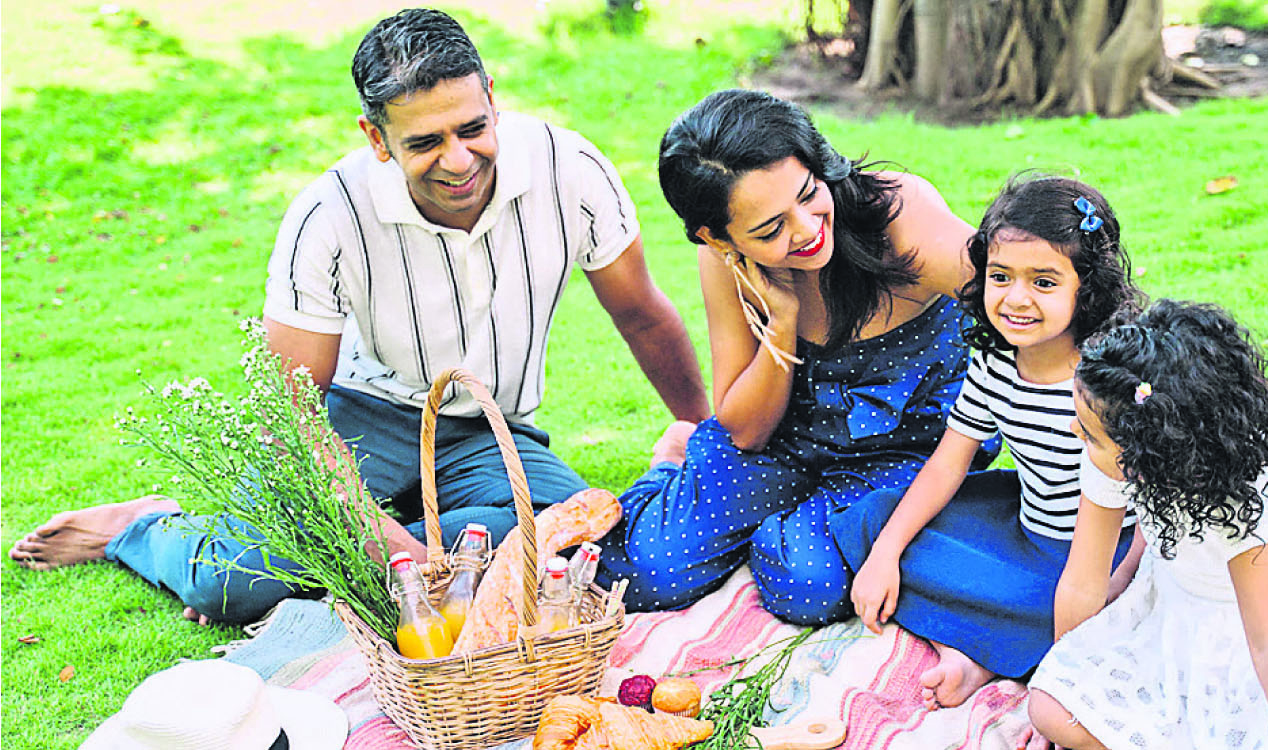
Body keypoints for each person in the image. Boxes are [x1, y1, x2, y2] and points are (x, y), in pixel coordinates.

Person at [7, 9, 709, 625]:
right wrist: (391, 549)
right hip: (355, 420)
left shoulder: (571, 168)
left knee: (580, 544)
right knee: (229, 585)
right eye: (425, 142)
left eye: (472, 128)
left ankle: (341, 547)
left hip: (487, 429)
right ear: (377, 138)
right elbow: (291, 419)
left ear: (492, 99)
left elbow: (641, 315)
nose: (458, 160)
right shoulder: (327, 215)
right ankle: (146, 527)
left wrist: (704, 436)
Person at [594, 89, 994, 624]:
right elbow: (745, 431)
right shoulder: (725, 262)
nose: (806, 229)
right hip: (785, 441)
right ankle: (675, 464)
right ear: (718, 237)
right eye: (770, 229)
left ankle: (779, 522)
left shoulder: (899, 217)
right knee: (641, 575)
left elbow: (1025, 305)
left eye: (809, 194)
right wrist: (780, 325)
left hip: (905, 446)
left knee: (806, 586)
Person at [1028, 299, 1268, 750]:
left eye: (1089, 433)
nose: (1076, 432)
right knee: (1049, 709)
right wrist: (1073, 673)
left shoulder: (1248, 496)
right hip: (1181, 615)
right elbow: (1082, 583)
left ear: (1149, 451)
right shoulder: (1108, 455)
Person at [830, 176, 1147, 710]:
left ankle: (982, 655)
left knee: (1093, 614)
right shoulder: (995, 360)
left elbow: (1160, 500)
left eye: (1043, 282)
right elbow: (948, 464)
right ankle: (988, 647)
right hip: (1024, 533)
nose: (1016, 299)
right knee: (877, 524)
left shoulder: (1110, 379)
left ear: (1086, 288)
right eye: (1001, 277)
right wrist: (886, 553)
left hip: (1107, 558)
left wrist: (1122, 582)